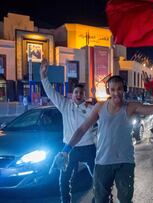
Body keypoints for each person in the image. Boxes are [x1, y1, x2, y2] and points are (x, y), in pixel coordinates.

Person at [54, 73, 153, 202]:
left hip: (125, 163)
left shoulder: (131, 107)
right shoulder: (100, 107)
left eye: (119, 89)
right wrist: (66, 150)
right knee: (100, 200)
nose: (116, 93)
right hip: (103, 162)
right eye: (112, 89)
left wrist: (152, 87)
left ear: (124, 89)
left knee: (125, 200)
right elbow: (82, 129)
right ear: (108, 90)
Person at [40, 58, 97, 203]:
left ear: (84, 95)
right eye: (76, 92)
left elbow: (104, 122)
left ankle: (101, 198)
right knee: (64, 179)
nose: (78, 95)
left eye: (81, 93)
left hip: (88, 147)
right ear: (72, 94)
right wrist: (43, 76)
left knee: (98, 177)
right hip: (69, 149)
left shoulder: (90, 109)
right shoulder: (65, 105)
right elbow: (51, 93)